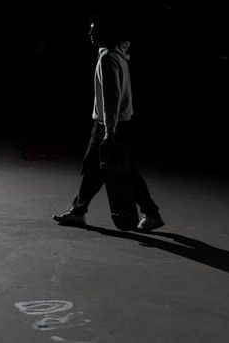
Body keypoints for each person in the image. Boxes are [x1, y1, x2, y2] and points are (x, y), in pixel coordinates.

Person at [53, 14, 164, 231]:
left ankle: (151, 213)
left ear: (108, 32)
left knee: (117, 171)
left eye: (95, 30)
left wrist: (109, 132)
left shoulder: (108, 58)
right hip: (113, 124)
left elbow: (112, 97)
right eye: (90, 29)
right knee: (95, 169)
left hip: (109, 126)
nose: (90, 33)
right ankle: (79, 211)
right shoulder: (115, 54)